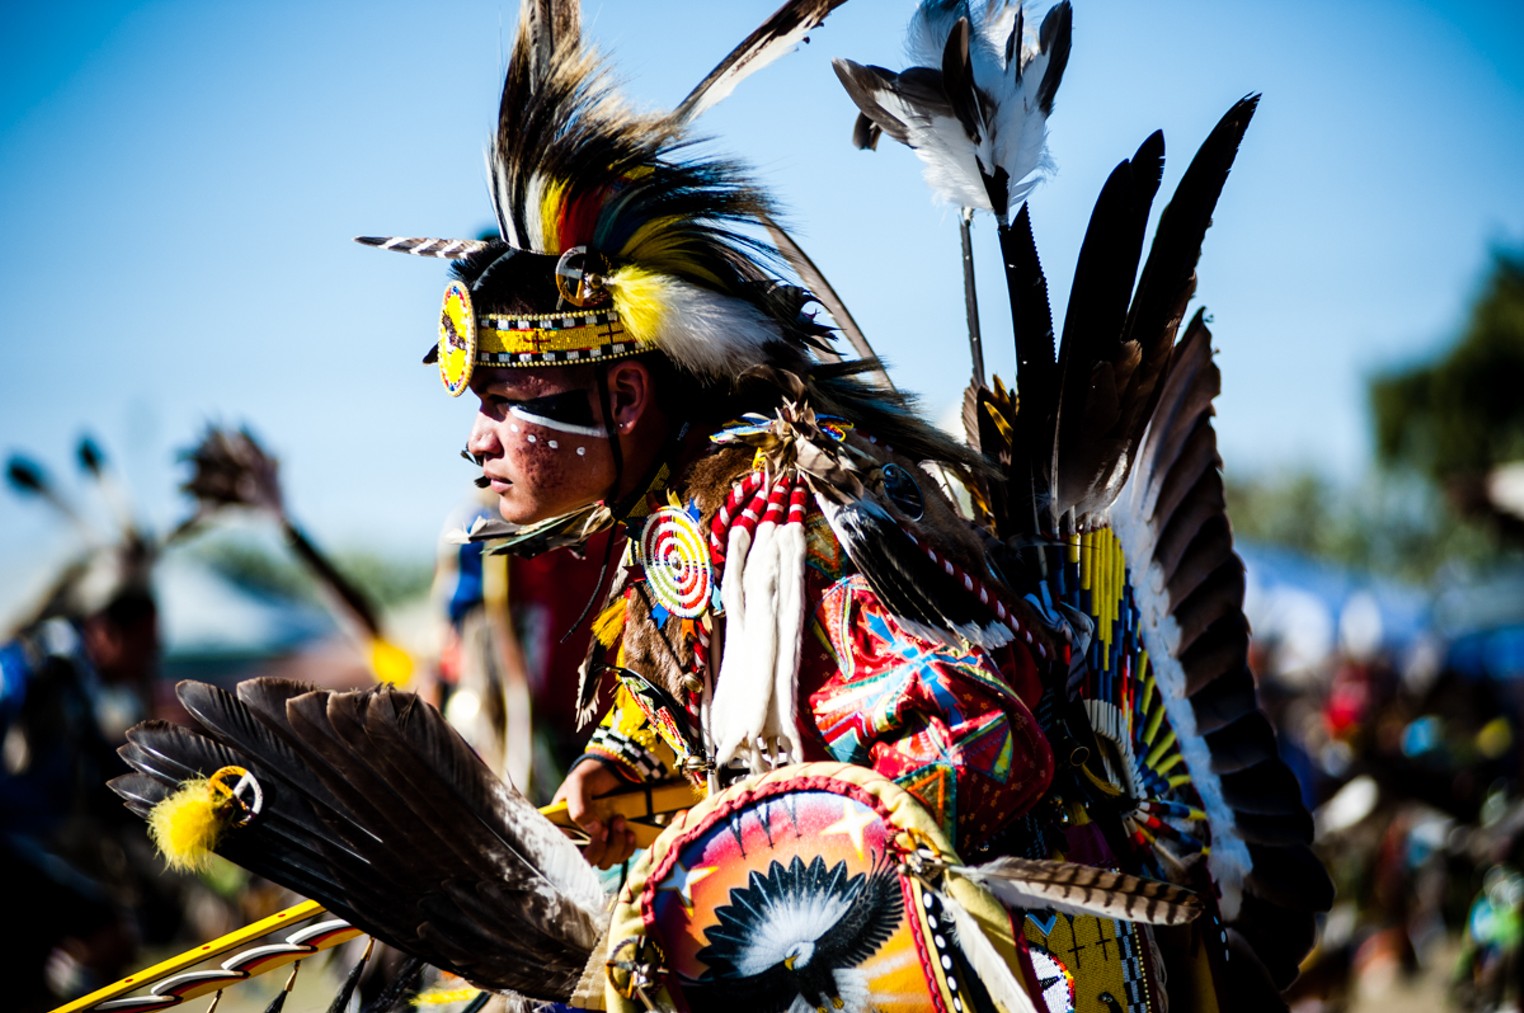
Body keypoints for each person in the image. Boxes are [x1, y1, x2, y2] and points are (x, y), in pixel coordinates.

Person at [105, 2, 1330, 1010]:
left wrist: (762, 839)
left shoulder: (797, 510)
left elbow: (986, 738)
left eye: (508, 396)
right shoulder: (662, 548)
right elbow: (669, 743)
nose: (476, 436)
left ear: (625, 392)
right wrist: (614, 795)